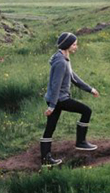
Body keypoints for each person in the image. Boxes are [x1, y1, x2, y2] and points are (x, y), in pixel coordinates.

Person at [40, 32, 100, 167]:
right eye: (74, 44)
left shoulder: (63, 57)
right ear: (67, 45)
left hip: (55, 100)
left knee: (50, 128)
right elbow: (56, 85)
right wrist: (52, 106)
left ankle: (45, 159)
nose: (76, 47)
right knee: (86, 111)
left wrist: (90, 89)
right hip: (59, 100)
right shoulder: (61, 62)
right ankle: (81, 142)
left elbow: (73, 78)